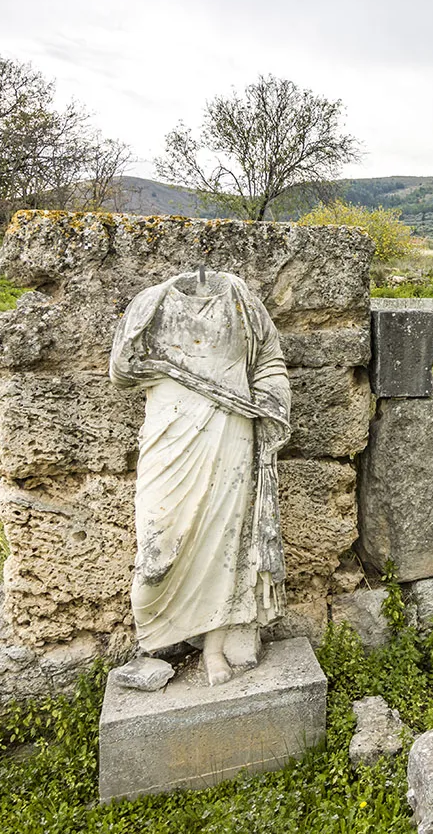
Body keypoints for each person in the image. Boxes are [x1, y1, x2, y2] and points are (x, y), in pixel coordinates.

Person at [109, 268, 290, 685]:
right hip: (169, 438)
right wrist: (169, 367)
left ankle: (214, 649)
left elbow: (270, 360)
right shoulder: (150, 303)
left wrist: (271, 403)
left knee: (226, 542)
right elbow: (120, 372)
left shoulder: (241, 299)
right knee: (157, 546)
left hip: (230, 434)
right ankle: (150, 644)